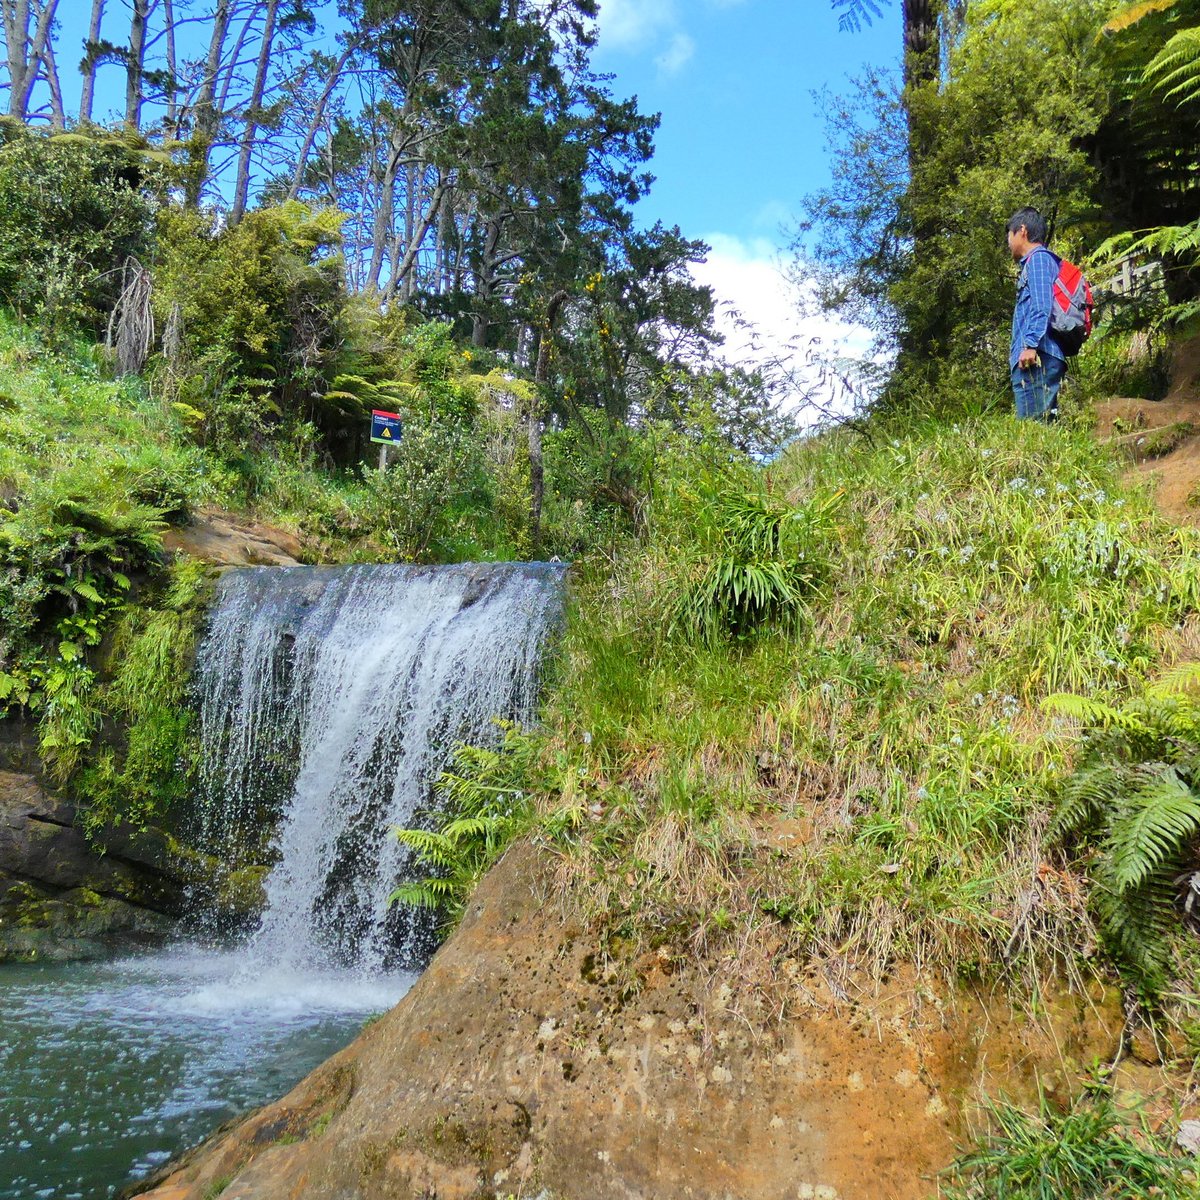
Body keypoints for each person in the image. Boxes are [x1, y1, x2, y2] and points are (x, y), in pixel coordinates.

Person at [1007, 207, 1066, 421]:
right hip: (1035, 358)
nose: (1008, 243)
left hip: (1035, 358)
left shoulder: (1039, 259)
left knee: (1033, 428)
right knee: (1042, 427)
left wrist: (1030, 345)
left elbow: (1042, 305)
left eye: (1009, 235)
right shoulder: (1035, 262)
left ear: (1021, 230)